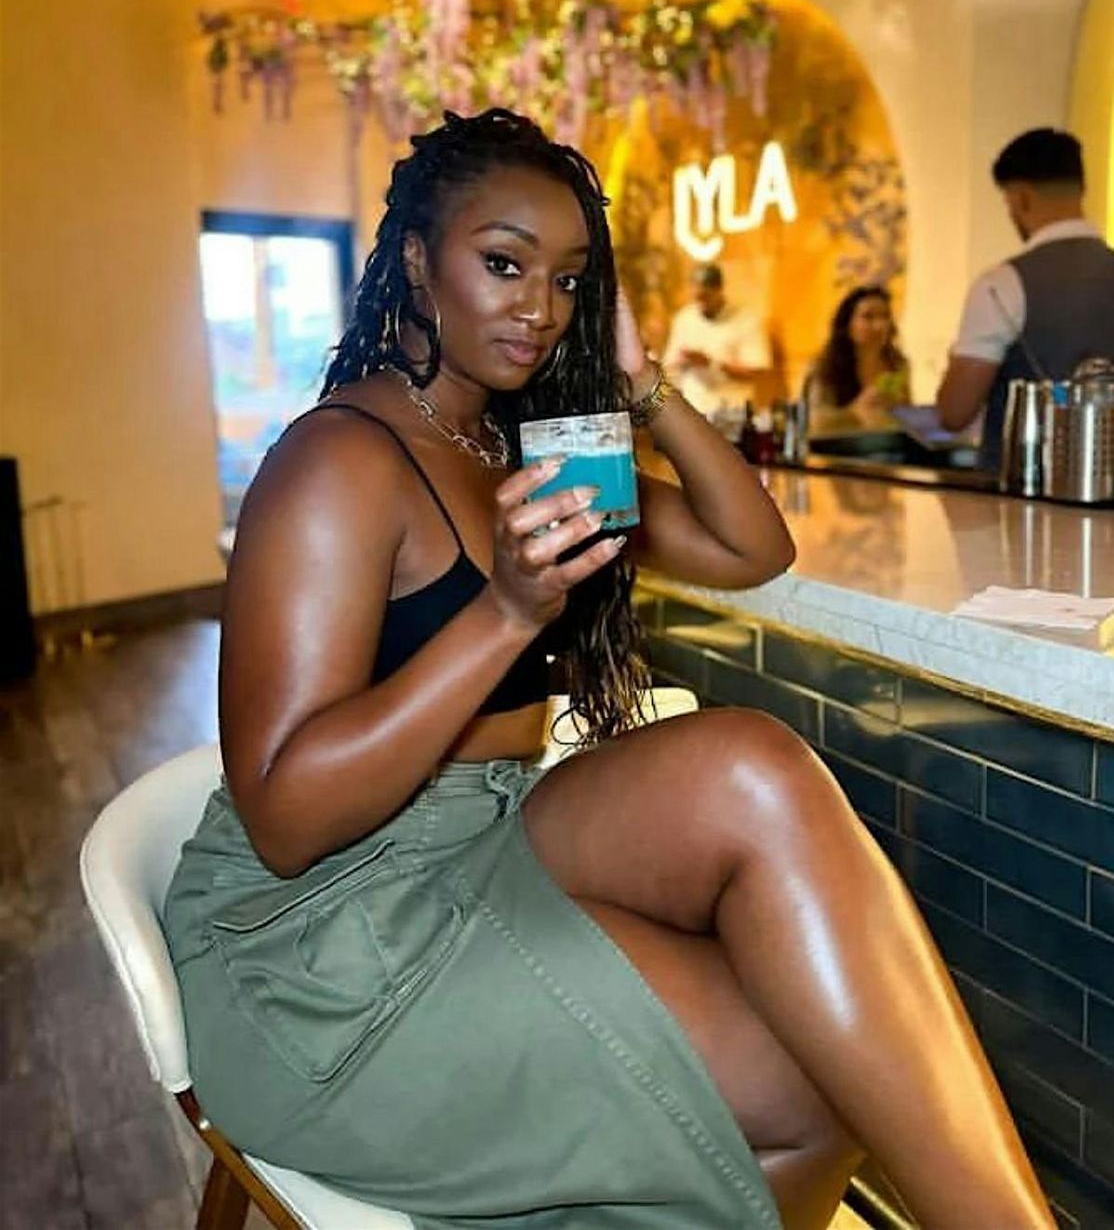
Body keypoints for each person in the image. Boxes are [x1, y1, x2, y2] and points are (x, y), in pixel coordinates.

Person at [164, 108, 1055, 1230]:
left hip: (487, 831)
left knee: (755, 770)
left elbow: (752, 547)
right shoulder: (337, 460)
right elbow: (286, 819)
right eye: (504, 264)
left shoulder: (525, 446)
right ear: (415, 261)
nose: (541, 308)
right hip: (326, 944)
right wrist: (504, 612)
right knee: (812, 1090)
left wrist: (642, 382)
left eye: (569, 280)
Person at [936, 127, 1114, 469]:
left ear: (1021, 198)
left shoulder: (1000, 285)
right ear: (1081, 188)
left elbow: (954, 413)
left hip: (1018, 485)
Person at [662, 261, 772, 417]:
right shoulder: (684, 318)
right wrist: (683, 361)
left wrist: (712, 364)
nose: (701, 302)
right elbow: (669, 364)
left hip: (732, 412)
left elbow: (756, 371)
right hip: (694, 411)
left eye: (705, 296)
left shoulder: (746, 320)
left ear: (719, 290)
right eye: (696, 297)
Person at [806, 285, 911, 417]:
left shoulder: (897, 364)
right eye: (868, 317)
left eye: (885, 316)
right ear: (847, 325)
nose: (880, 325)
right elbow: (814, 421)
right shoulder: (824, 370)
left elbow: (907, 411)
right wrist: (855, 410)